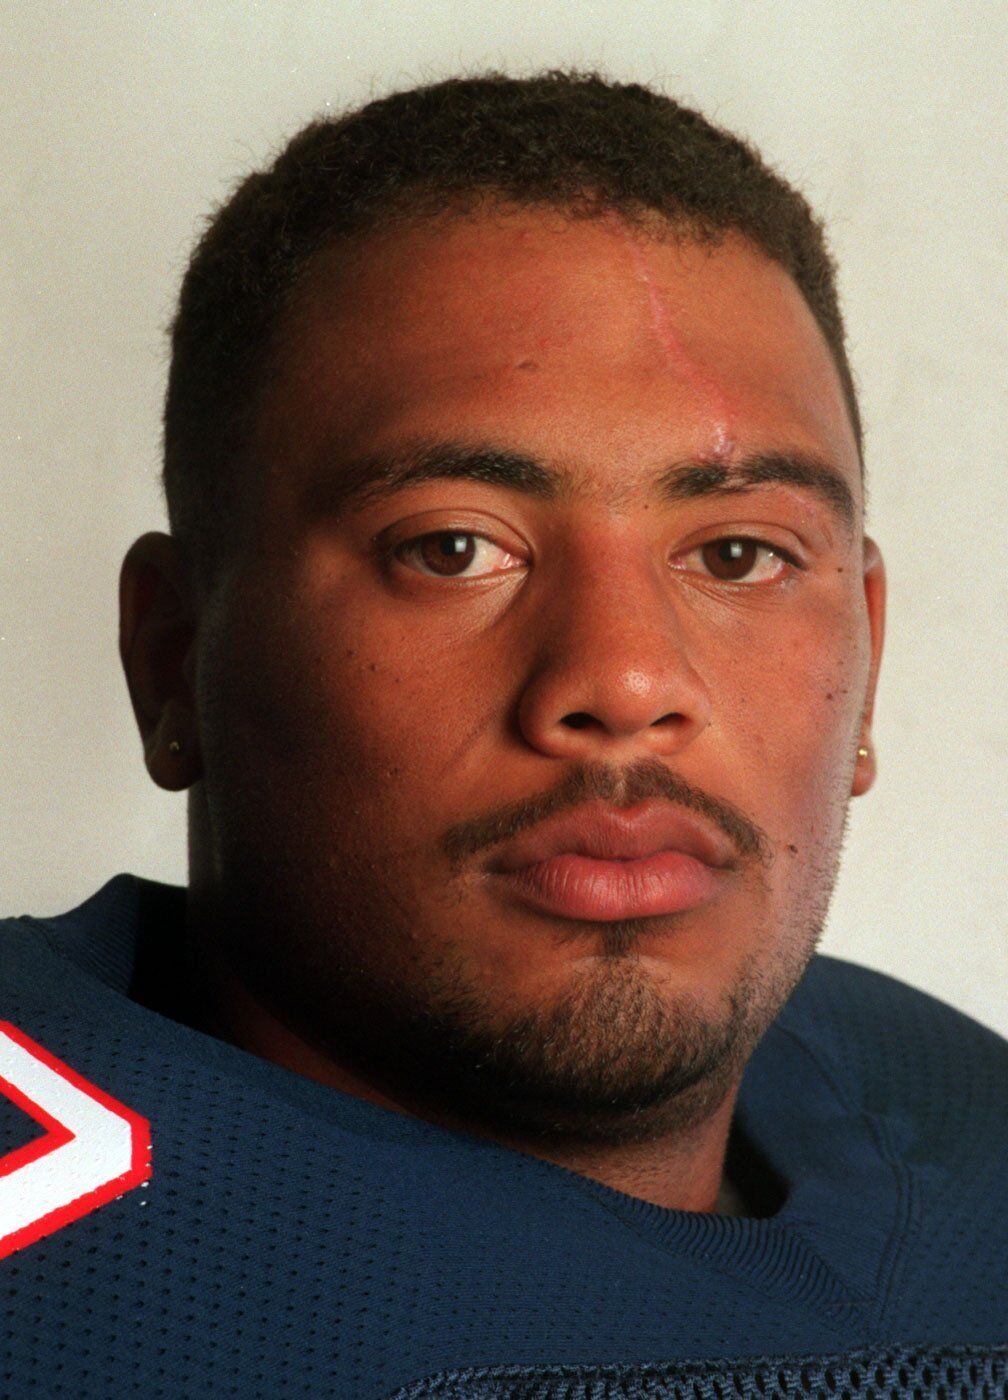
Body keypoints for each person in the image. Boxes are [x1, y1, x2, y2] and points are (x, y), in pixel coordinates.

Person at [2, 69, 1004, 1398]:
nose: (625, 680)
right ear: (173, 656)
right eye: (453, 548)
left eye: (739, 552)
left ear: (867, 666)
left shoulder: (961, 1125)